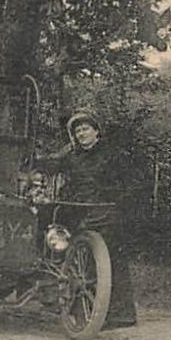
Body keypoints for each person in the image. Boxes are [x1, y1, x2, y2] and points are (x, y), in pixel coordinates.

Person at [37, 109, 137, 328]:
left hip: (106, 210)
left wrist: (117, 200)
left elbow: (129, 183)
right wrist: (34, 160)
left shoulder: (112, 154)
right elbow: (52, 164)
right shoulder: (72, 154)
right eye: (78, 131)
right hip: (77, 208)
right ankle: (73, 305)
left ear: (96, 131)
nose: (82, 134)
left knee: (111, 259)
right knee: (61, 243)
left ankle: (119, 315)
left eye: (85, 129)